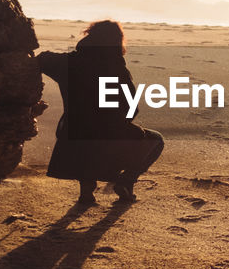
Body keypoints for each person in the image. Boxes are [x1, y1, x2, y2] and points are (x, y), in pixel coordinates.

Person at [37, 20, 164, 205]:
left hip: (72, 139)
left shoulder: (69, 62)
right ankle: (126, 182)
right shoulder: (117, 69)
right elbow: (131, 107)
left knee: (81, 129)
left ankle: (86, 189)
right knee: (157, 140)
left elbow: (43, 59)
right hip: (107, 139)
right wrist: (119, 124)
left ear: (89, 36)